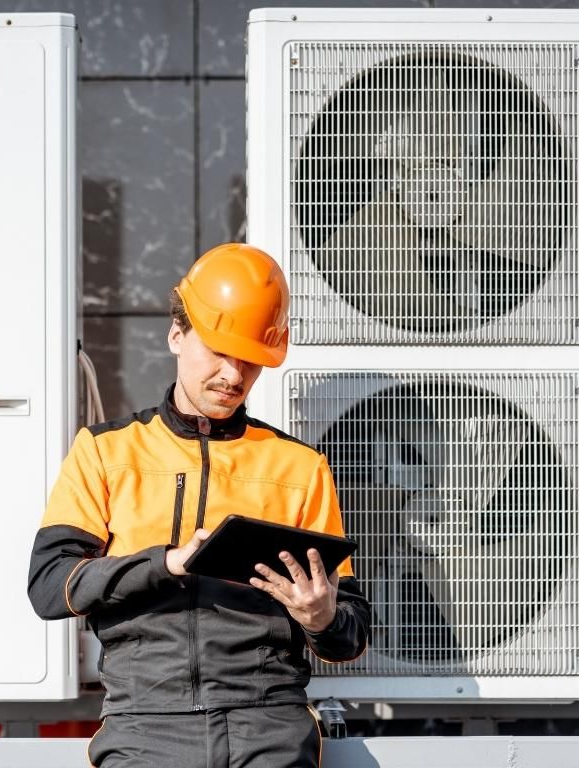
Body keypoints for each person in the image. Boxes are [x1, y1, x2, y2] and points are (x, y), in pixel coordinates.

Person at [27, 243, 370, 767]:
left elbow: (348, 636)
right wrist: (165, 563)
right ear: (175, 335)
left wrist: (322, 618)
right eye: (219, 351)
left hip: (269, 729)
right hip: (145, 727)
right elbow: (51, 587)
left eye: (250, 359)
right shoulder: (104, 451)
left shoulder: (300, 468)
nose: (234, 376)